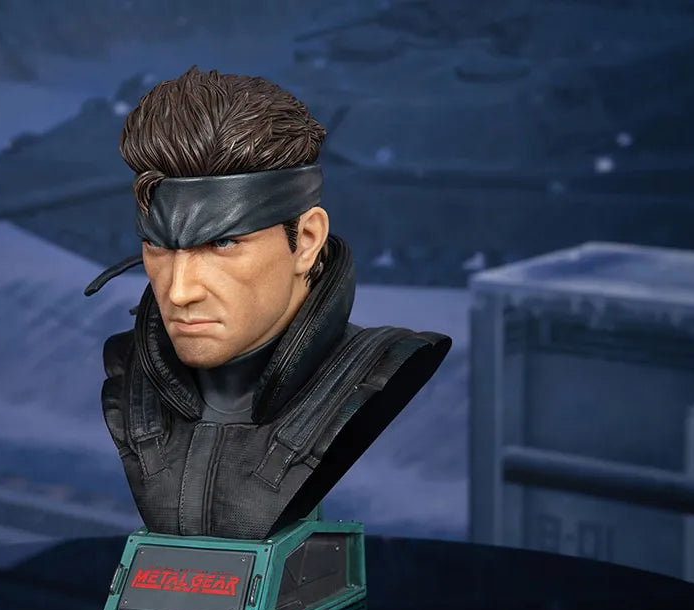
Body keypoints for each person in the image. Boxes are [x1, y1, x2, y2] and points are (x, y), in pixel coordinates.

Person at [85, 67, 451, 540]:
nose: (178, 292)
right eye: (158, 246)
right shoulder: (129, 370)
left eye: (223, 243)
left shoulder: (382, 371)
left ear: (307, 240)